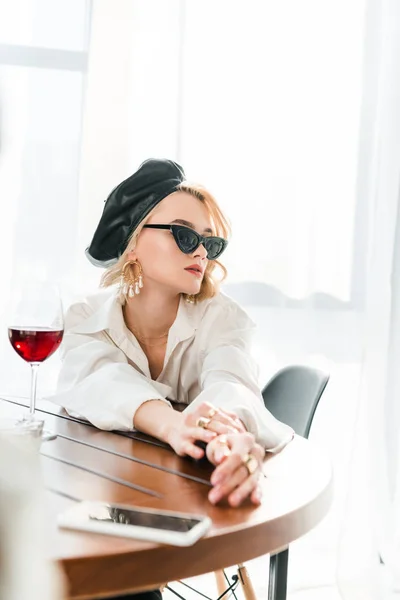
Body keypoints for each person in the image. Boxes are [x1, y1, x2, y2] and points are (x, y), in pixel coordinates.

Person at [49, 158, 294, 600]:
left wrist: (228, 431)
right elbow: (95, 378)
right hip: (108, 496)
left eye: (209, 242)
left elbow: (232, 380)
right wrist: (173, 423)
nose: (200, 251)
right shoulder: (86, 317)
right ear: (134, 241)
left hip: (191, 501)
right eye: (184, 235)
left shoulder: (222, 318)